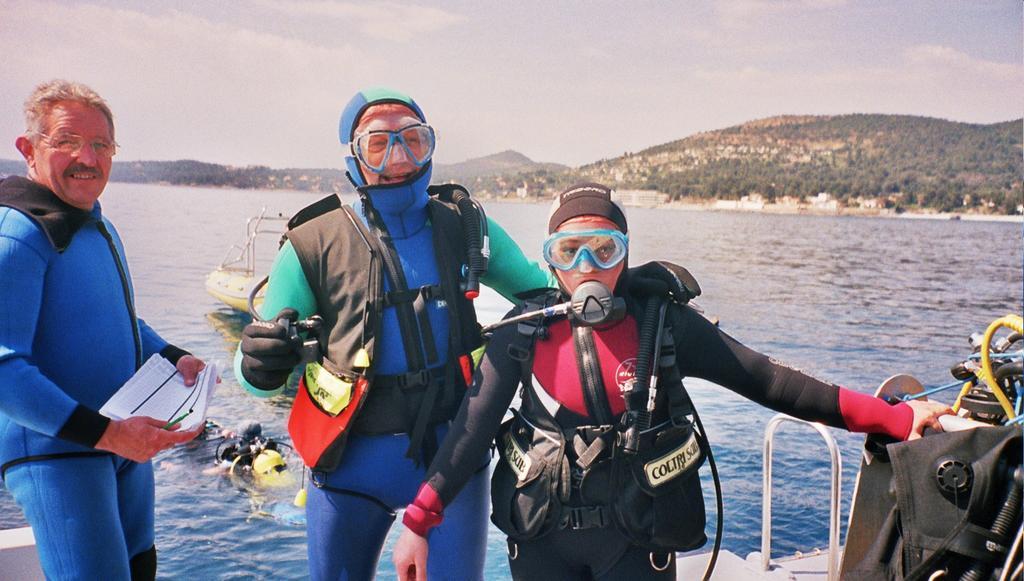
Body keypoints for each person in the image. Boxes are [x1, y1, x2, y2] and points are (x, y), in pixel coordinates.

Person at [392, 182, 952, 580]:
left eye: (604, 249)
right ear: (551, 261)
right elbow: (470, 432)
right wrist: (417, 521)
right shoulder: (524, 330)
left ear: (625, 253)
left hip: (637, 541)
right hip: (540, 540)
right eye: (568, 250)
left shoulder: (664, 325)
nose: (587, 266)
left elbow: (770, 381)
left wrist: (896, 418)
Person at [235, 87, 555, 580]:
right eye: (379, 144)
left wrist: (619, 285)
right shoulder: (313, 242)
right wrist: (257, 363)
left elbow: (549, 294)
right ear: (353, 157)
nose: (400, 158)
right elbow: (254, 377)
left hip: (453, 465)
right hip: (347, 468)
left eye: (414, 140)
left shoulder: (466, 227)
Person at [0, 80, 209, 580]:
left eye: (101, 144)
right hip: (59, 452)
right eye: (67, 141)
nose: (87, 158)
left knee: (141, 568)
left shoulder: (95, 225)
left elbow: (114, 318)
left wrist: (173, 356)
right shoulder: (20, 232)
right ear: (28, 149)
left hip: (121, 444)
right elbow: (4, 369)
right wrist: (109, 435)